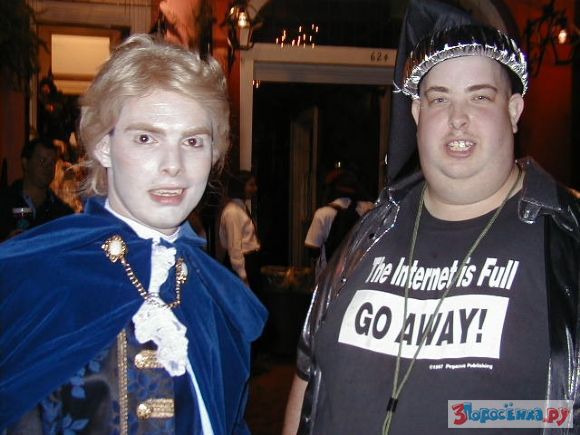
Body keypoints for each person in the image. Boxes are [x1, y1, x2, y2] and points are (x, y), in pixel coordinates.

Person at [283, 23, 580, 435]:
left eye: (480, 97)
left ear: (513, 111)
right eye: (439, 99)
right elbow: (308, 373)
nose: (458, 118)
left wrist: (473, 416)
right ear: (417, 113)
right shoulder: (369, 233)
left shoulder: (566, 239)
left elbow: (564, 413)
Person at [0, 34, 267, 434]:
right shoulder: (32, 274)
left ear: (214, 155)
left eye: (193, 141)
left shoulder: (218, 297)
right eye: (146, 138)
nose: (173, 165)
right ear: (103, 146)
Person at [0, 137, 74, 240]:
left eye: (52, 162)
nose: (48, 167)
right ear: (25, 163)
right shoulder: (4, 202)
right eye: (42, 160)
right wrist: (6, 243)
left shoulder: (62, 212)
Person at [304, 168, 373, 278]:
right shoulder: (370, 210)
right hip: (359, 276)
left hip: (328, 278)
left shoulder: (323, 214)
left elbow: (313, 250)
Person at [219, 170, 261, 292]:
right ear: (240, 186)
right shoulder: (233, 211)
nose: (255, 189)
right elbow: (234, 247)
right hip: (241, 264)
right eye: (251, 185)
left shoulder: (241, 208)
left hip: (249, 261)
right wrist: (242, 275)